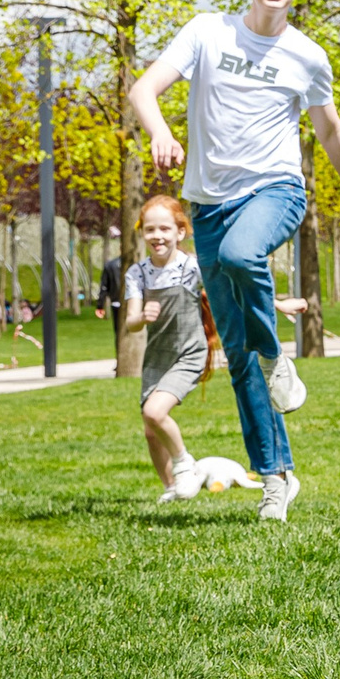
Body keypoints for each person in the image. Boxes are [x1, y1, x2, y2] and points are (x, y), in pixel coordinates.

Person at [128, 0, 340, 525]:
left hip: (275, 189)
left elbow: (329, 132)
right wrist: (161, 131)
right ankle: (277, 476)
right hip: (208, 203)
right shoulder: (206, 31)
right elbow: (144, 89)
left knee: (246, 257)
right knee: (236, 354)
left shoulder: (306, 55)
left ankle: (278, 356)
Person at [120, 193, 216, 503]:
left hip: (188, 353)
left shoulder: (192, 268)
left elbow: (230, 289)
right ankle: (171, 487)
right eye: (150, 230)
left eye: (164, 229)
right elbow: (131, 322)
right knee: (151, 429)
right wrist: (141, 316)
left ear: (180, 232)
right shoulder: (138, 273)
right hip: (157, 358)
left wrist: (278, 303)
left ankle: (185, 463)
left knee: (154, 411)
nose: (157, 236)